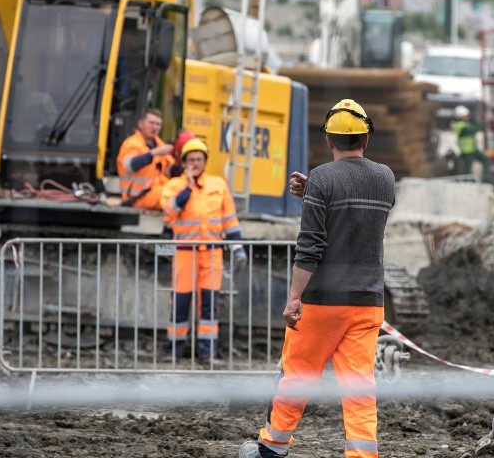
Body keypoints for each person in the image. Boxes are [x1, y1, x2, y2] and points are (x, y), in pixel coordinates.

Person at [239, 99, 395, 458]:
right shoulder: (386, 179)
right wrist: (315, 194)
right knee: (359, 389)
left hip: (322, 304)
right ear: (366, 139)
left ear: (329, 140)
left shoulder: (323, 178)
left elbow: (310, 245)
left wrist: (294, 298)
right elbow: (357, 211)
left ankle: (273, 448)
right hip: (367, 305)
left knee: (295, 379)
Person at [160, 137, 247, 359]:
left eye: (199, 159)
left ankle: (207, 353)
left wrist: (237, 248)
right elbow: (170, 211)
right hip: (184, 253)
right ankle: (173, 352)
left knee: (209, 305)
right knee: (180, 303)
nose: (195, 163)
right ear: (184, 162)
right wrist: (188, 186)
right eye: (191, 159)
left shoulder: (218, 185)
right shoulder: (173, 186)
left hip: (212, 253)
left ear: (205, 161)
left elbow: (229, 219)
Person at [116, 108, 175, 209]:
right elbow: (130, 165)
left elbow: (171, 173)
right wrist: (153, 153)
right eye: (151, 123)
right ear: (140, 124)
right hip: (136, 197)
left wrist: (180, 161)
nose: (155, 127)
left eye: (158, 124)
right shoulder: (131, 144)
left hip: (155, 191)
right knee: (170, 196)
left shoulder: (160, 145)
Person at [453, 105, 491, 183]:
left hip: (473, 150)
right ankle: (467, 183)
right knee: (467, 170)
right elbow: (473, 129)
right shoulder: (460, 126)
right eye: (466, 116)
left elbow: (473, 126)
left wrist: (477, 123)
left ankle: (486, 177)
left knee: (485, 160)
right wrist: (481, 125)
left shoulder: (466, 124)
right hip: (466, 152)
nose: (468, 117)